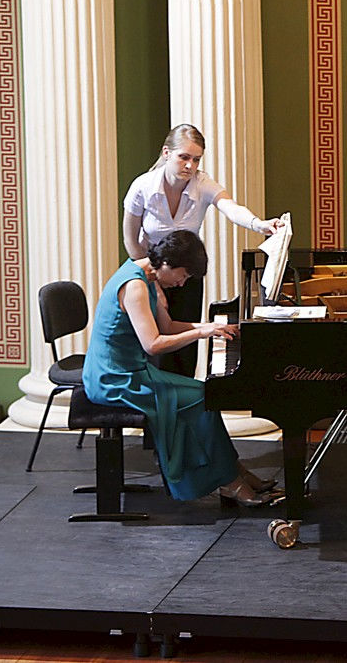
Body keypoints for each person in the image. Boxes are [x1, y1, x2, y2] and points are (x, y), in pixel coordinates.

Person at [83, 230, 276, 506]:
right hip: (114, 379)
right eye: (183, 275)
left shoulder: (148, 276)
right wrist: (202, 333)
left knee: (204, 393)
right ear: (167, 264)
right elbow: (153, 344)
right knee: (200, 397)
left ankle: (232, 472)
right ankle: (228, 480)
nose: (183, 283)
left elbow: (168, 326)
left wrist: (210, 328)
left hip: (132, 371)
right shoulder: (135, 286)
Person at [122, 124, 285, 377]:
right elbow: (131, 241)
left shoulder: (202, 183)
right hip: (150, 273)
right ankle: (157, 406)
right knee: (155, 349)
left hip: (185, 275)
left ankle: (184, 401)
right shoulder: (143, 186)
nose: (190, 165)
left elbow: (231, 208)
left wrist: (260, 225)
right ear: (167, 153)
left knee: (184, 350)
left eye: (196, 159)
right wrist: (152, 282)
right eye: (183, 157)